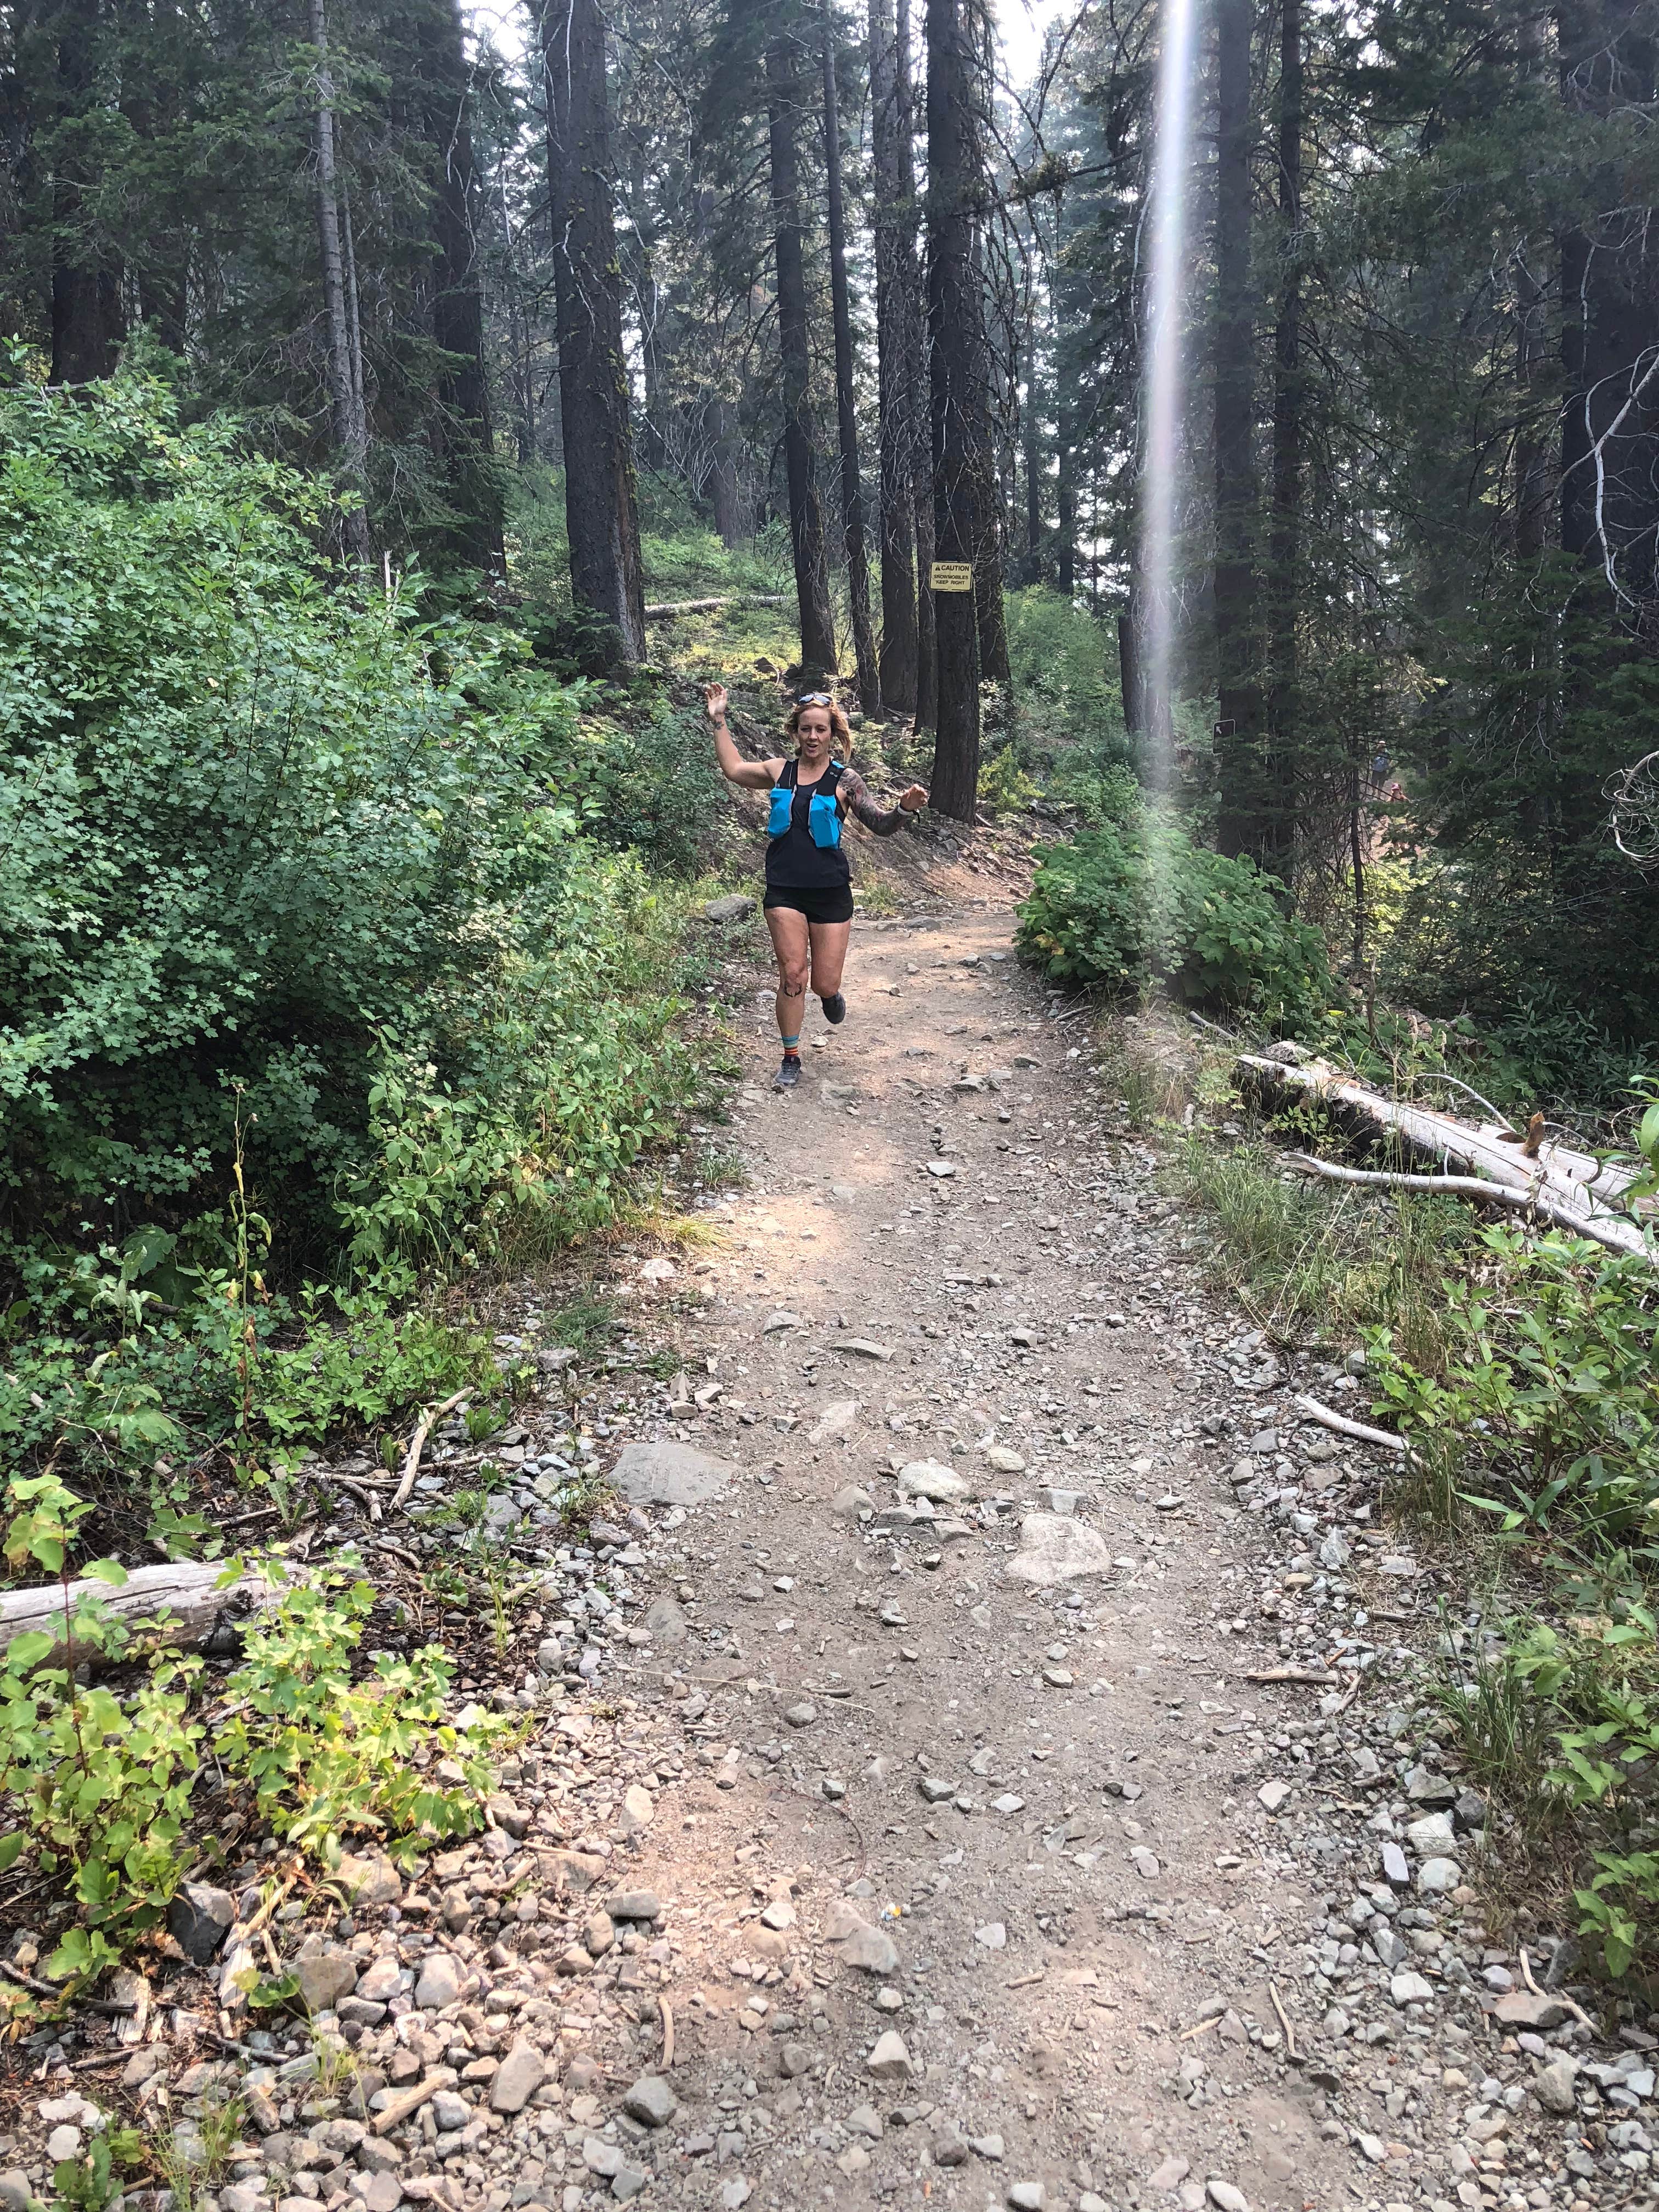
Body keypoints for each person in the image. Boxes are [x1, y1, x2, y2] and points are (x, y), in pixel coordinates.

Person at [706, 682, 927, 1089]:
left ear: (833, 734)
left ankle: (829, 995)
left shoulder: (847, 781)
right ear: (795, 732)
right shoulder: (779, 771)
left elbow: (879, 825)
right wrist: (719, 720)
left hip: (830, 892)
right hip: (784, 889)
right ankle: (791, 1056)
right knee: (793, 974)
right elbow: (734, 770)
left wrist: (904, 809)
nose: (813, 737)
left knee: (824, 983)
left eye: (821, 730)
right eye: (806, 729)